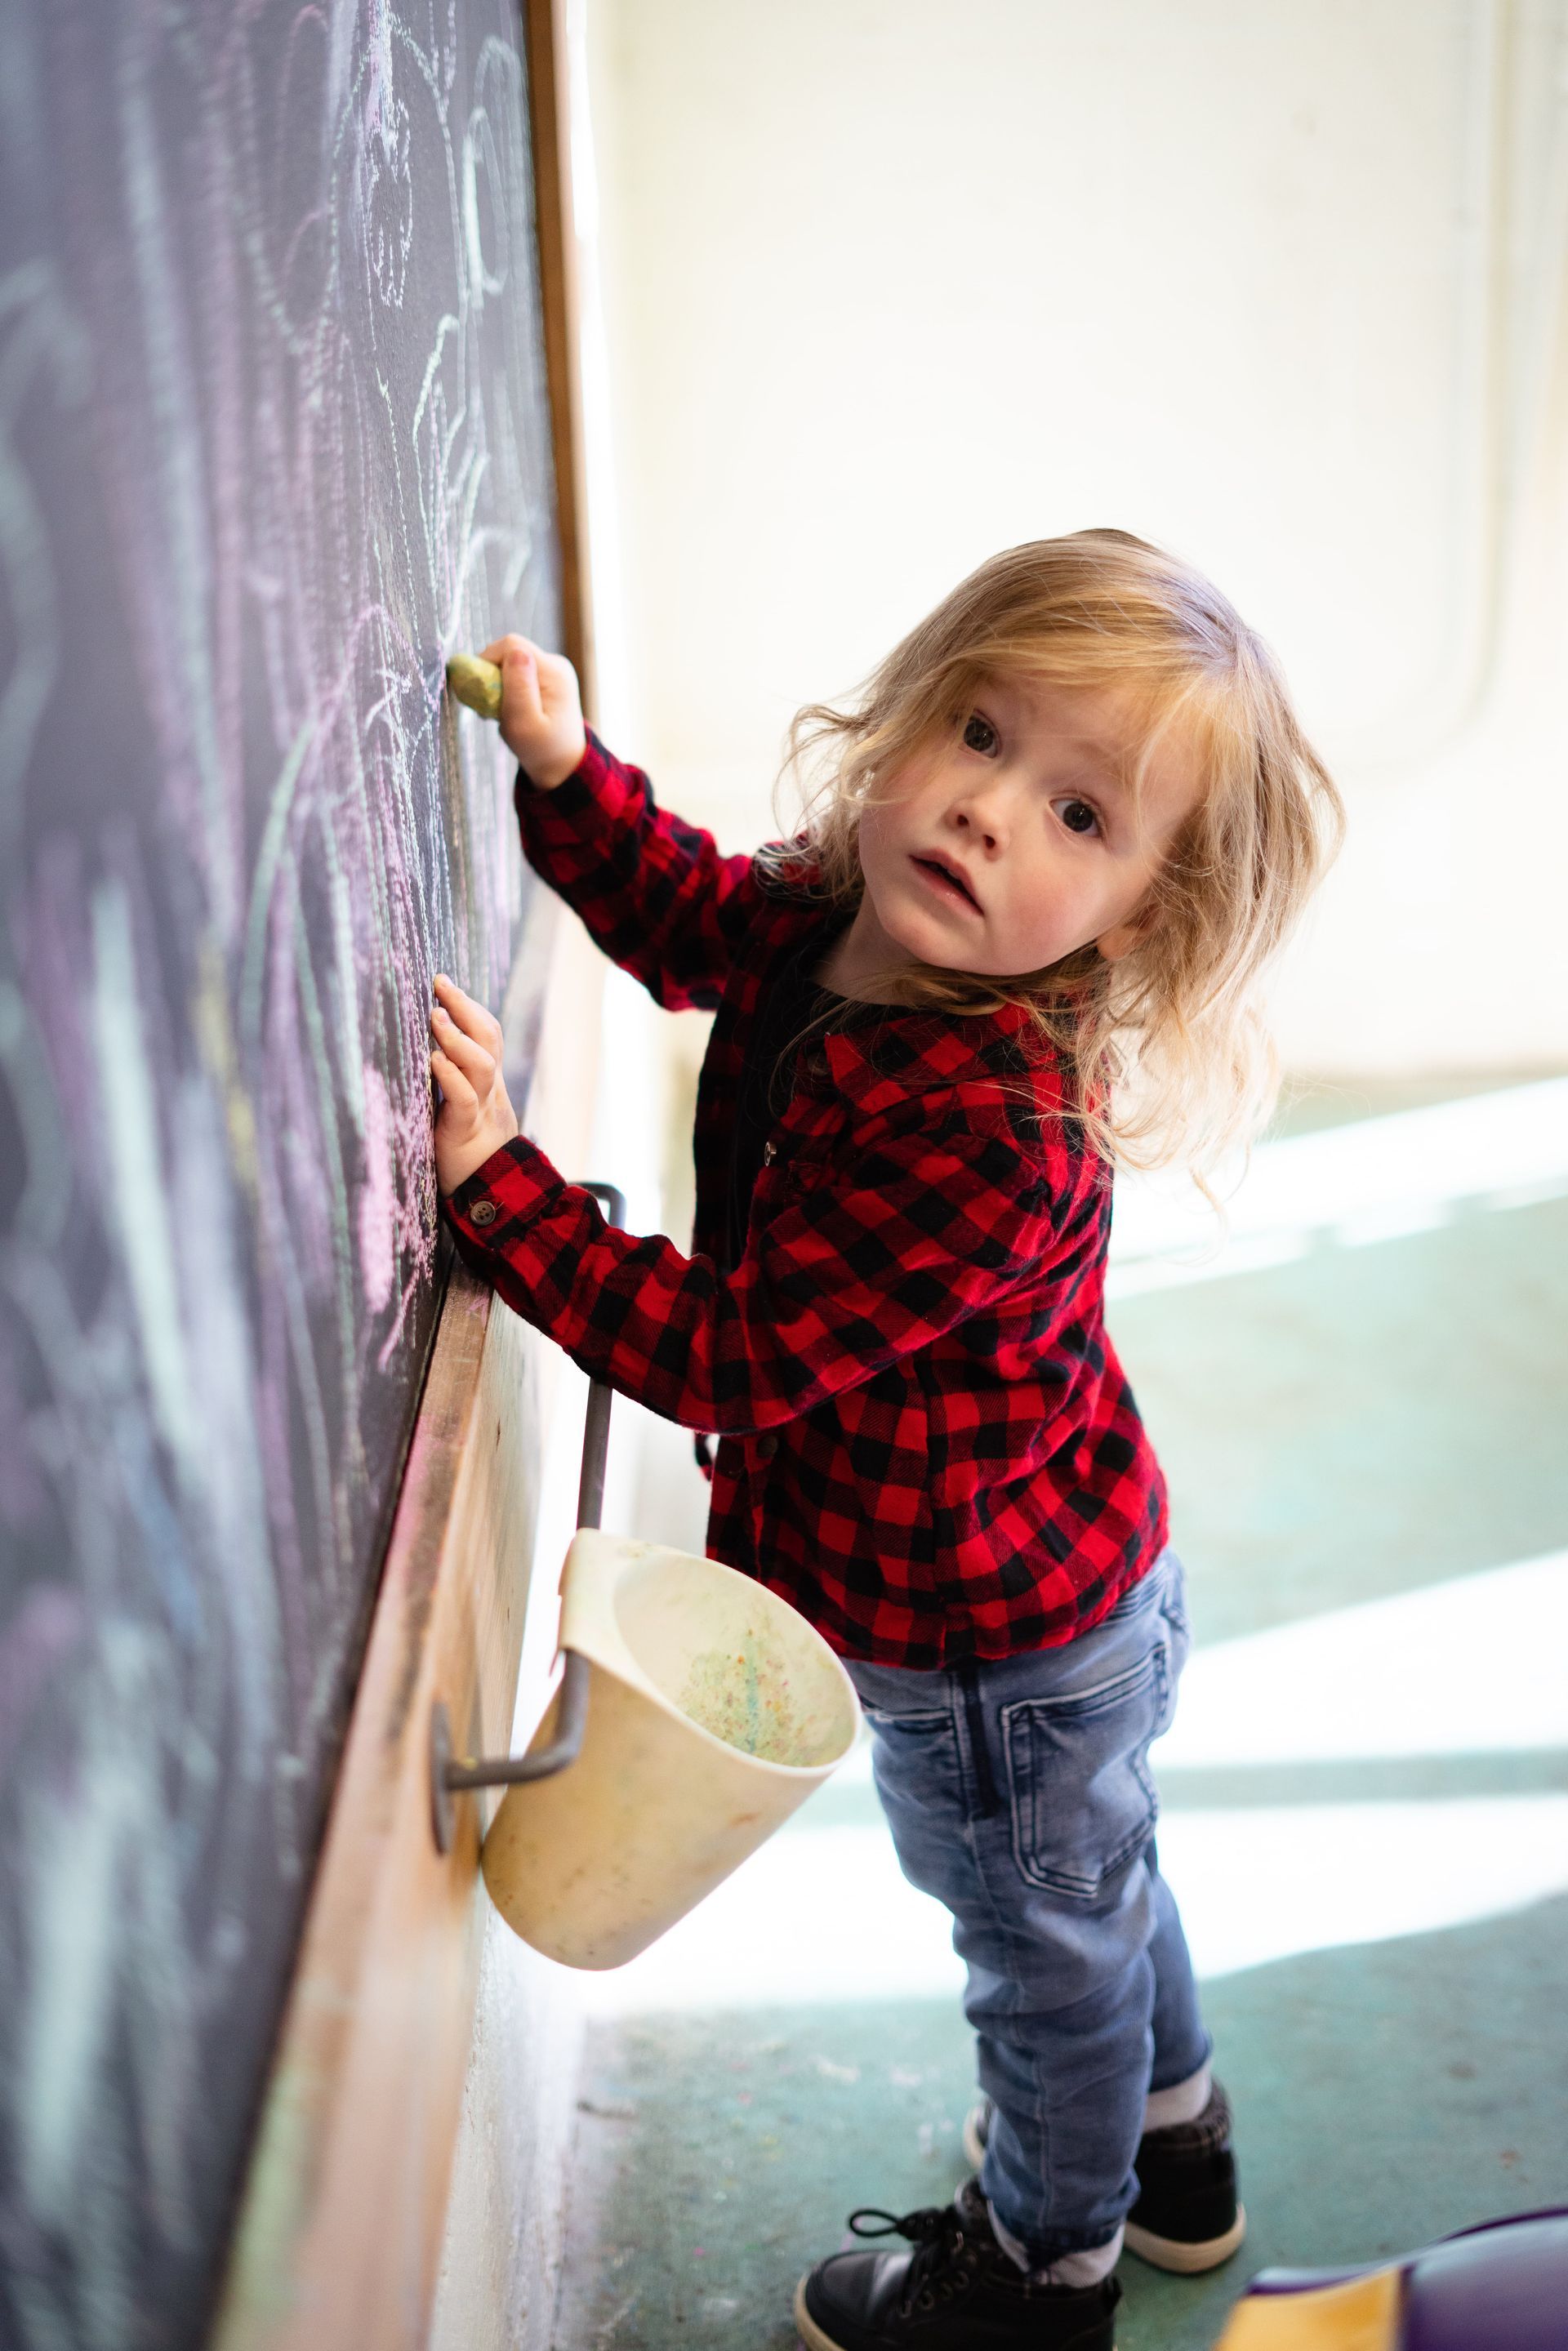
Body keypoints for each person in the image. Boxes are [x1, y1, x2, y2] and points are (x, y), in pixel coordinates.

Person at [427, 532, 1343, 2351]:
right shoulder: (845, 915)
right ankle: (1173, 2161)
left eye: (1081, 814)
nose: (992, 813)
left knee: (1040, 1951)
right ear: (909, 723)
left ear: (1141, 912)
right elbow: (694, 917)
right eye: (980, 734)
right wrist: (565, 774)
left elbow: (731, 1356)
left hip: (995, 1645)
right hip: (1043, 1584)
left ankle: (1042, 2277)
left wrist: (500, 1194)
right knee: (1094, 1887)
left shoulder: (988, 1122)